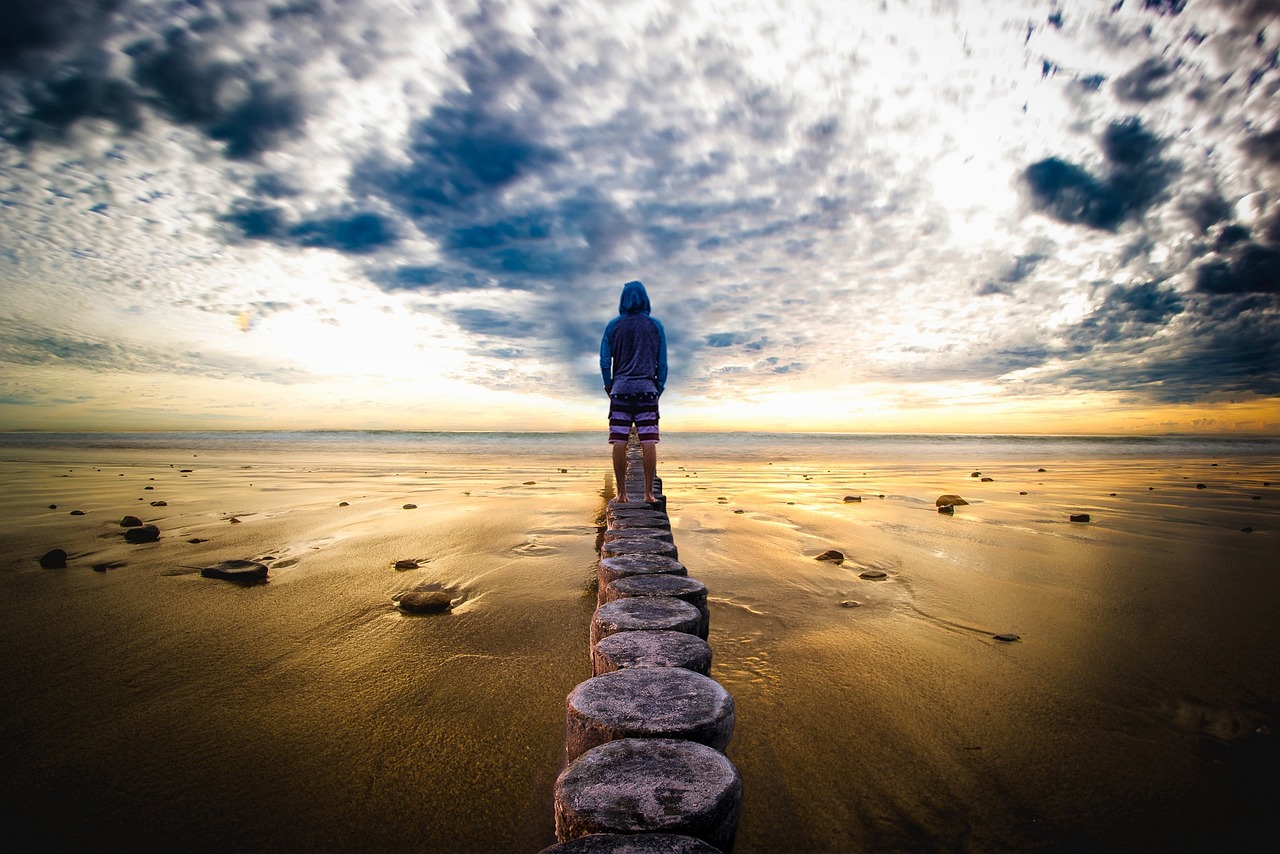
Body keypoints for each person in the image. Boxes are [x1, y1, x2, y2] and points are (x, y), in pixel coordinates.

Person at [600, 280, 667, 503]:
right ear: (645, 298)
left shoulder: (613, 326)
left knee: (619, 440)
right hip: (647, 390)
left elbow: (604, 361)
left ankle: (621, 494)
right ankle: (648, 494)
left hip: (620, 390)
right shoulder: (655, 326)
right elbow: (662, 362)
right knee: (648, 440)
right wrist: (658, 387)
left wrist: (609, 385)